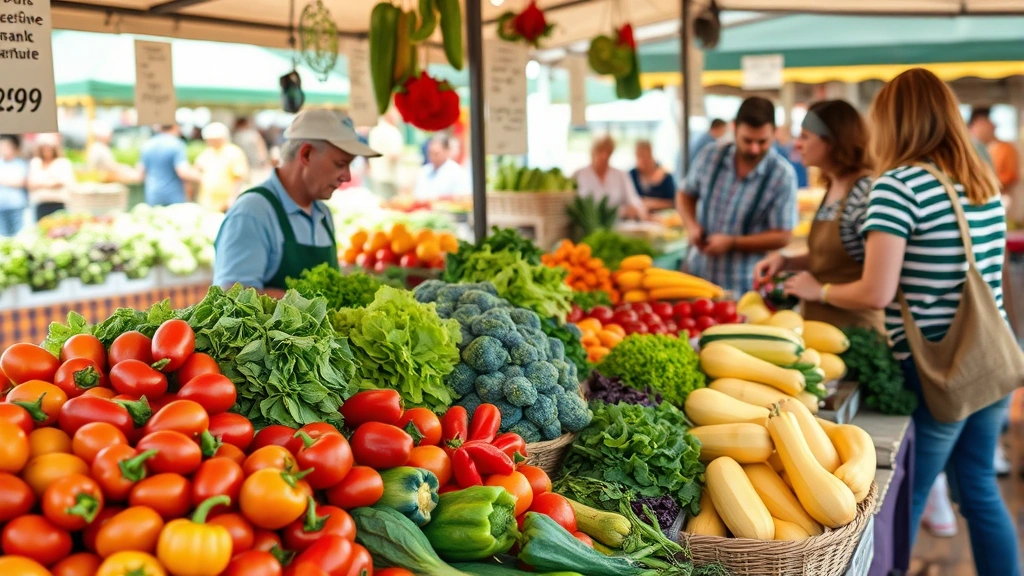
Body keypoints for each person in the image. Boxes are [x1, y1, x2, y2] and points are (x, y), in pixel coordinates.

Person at [782, 68, 1019, 576]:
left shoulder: (899, 186)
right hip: (991, 360)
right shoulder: (981, 182)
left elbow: (876, 290)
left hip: (940, 368)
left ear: (894, 121)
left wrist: (817, 290)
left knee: (905, 497)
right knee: (978, 490)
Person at [213, 109, 381, 297]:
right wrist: (310, 307)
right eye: (340, 164)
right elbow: (232, 297)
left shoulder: (323, 214)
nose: (347, 176)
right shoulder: (252, 212)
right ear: (306, 154)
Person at [754, 100, 882, 332]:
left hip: (856, 334)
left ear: (832, 141)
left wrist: (820, 291)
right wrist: (787, 260)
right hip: (823, 331)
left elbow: (876, 288)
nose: (797, 144)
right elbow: (837, 255)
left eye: (805, 136)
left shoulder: (865, 192)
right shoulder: (834, 186)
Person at [678, 97, 798, 294]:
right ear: (734, 129)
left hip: (746, 286)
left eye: (762, 142)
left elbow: (783, 236)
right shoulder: (710, 156)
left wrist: (733, 243)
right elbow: (685, 194)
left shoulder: (782, 175)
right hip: (698, 277)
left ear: (774, 134)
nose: (754, 149)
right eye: (747, 140)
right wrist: (691, 226)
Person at [574, 136, 646, 219]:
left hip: (618, 225)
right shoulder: (578, 174)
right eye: (600, 150)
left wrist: (638, 209)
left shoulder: (621, 175)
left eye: (608, 152)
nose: (604, 156)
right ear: (592, 151)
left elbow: (633, 200)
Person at [138, 125, 200, 206]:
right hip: (174, 197)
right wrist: (203, 177)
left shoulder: (147, 145)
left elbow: (140, 174)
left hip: (153, 195)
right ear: (175, 127)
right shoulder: (177, 144)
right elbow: (183, 172)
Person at [194, 122, 249, 212]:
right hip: (208, 201)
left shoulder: (234, 152)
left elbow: (239, 177)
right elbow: (197, 168)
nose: (210, 142)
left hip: (225, 203)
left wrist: (232, 198)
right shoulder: (207, 152)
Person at [970, 107, 1019, 194]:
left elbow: (1011, 175)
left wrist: (988, 184)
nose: (974, 130)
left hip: (1001, 195)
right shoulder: (975, 148)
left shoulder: (1006, 148)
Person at [27, 133, 75, 221]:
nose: (47, 151)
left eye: (49, 148)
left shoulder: (62, 162)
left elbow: (60, 182)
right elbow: (31, 184)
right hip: (41, 204)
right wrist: (50, 181)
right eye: (44, 148)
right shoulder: (36, 162)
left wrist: (40, 183)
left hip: (58, 203)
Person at [414, 136, 469, 200]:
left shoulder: (457, 173)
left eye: (436, 153)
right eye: (430, 153)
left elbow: (462, 198)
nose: (432, 157)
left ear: (447, 151)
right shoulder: (424, 171)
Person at [367, 110, 405, 199]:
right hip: (389, 178)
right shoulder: (392, 132)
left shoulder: (375, 130)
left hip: (376, 175)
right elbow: (395, 155)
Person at [630, 141, 677, 212]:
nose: (642, 160)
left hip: (662, 218)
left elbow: (674, 203)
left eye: (644, 156)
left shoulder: (665, 176)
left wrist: (652, 204)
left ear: (651, 155)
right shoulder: (631, 175)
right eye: (638, 156)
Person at [0, 135, 27, 236]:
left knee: (18, 234)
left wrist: (3, 180)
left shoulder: (20, 163)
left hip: (16, 205)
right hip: (1, 205)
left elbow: (20, 182)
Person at [233, 117, 270, 185]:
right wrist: (264, 161)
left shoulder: (235, 136)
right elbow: (261, 149)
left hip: (243, 165)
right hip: (255, 165)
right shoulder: (254, 135)